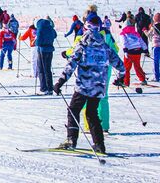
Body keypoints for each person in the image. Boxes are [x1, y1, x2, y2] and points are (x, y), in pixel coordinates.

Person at [53, 13, 125, 154]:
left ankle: (71, 140)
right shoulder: (105, 46)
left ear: (86, 28)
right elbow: (120, 65)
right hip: (99, 87)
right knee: (92, 114)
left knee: (73, 110)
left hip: (84, 86)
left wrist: (60, 81)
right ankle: (99, 144)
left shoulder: (83, 44)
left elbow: (71, 64)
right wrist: (121, 78)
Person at [119, 18, 148, 86]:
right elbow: (141, 41)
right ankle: (143, 79)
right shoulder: (135, 33)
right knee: (137, 66)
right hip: (138, 51)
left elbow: (123, 42)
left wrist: (125, 50)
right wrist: (145, 50)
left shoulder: (123, 33)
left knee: (126, 67)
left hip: (129, 52)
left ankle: (126, 82)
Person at [36, 18, 57, 95]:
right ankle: (50, 88)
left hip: (42, 50)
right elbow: (55, 35)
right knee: (48, 69)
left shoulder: (40, 28)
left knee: (41, 69)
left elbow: (38, 42)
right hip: (50, 49)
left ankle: (43, 88)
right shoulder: (50, 28)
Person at [146, 13, 160, 82]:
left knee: (156, 62)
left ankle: (157, 77)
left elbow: (148, 35)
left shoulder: (153, 27)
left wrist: (144, 30)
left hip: (156, 46)